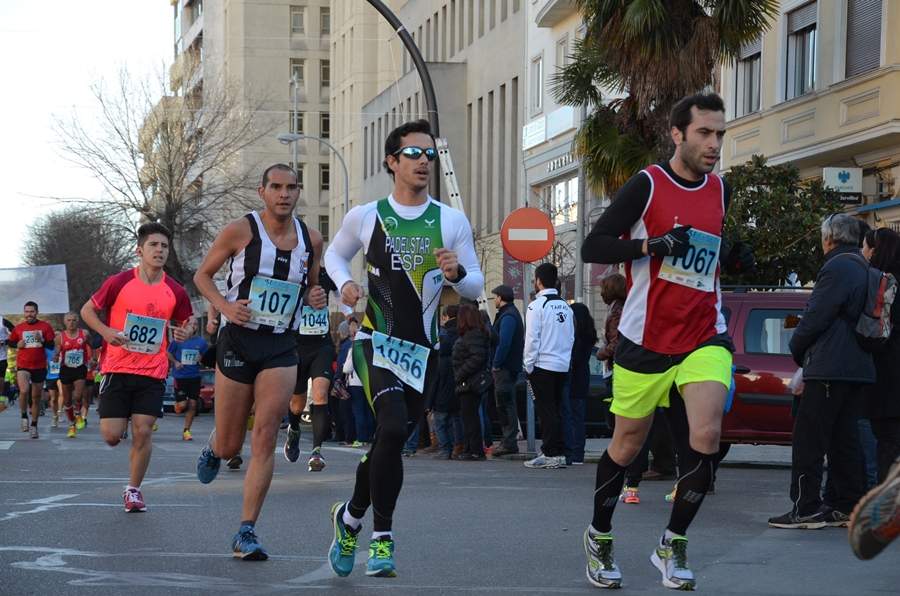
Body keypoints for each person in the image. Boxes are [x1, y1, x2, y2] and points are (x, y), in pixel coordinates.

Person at [580, 93, 755, 590]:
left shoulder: (720, 190)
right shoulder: (648, 185)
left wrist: (733, 260)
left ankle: (672, 545)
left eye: (720, 133)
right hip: (646, 339)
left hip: (704, 334)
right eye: (704, 132)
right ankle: (598, 535)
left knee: (706, 438)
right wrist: (649, 246)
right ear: (677, 134)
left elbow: (707, 256)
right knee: (626, 444)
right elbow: (595, 245)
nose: (714, 143)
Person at [324, 119, 483, 578]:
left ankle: (349, 517)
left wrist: (456, 274)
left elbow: (474, 281)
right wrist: (346, 283)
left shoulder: (451, 220)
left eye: (430, 154)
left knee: (389, 442)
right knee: (392, 427)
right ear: (392, 162)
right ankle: (382, 539)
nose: (424, 162)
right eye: (414, 154)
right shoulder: (366, 215)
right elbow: (334, 255)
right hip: (376, 341)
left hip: (425, 352)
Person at [193, 163, 327, 560]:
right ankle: (216, 445)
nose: (284, 194)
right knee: (232, 442)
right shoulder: (240, 230)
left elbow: (312, 285)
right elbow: (203, 275)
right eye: (276, 187)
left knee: (266, 433)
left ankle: (246, 531)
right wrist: (224, 307)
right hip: (238, 341)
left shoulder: (311, 239)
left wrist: (316, 297)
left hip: (281, 345)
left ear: (298, 192)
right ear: (262, 192)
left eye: (290, 187)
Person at [768, 213, 873, 530]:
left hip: (829, 365)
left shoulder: (837, 267)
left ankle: (806, 508)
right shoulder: (865, 267)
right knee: (845, 440)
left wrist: (797, 350)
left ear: (828, 238)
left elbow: (815, 317)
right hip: (858, 367)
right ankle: (848, 506)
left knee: (808, 439)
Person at [81, 222, 193, 512]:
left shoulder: (175, 290)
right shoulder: (119, 282)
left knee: (143, 432)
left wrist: (186, 332)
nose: (159, 250)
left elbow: (187, 321)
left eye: (164, 246)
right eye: (153, 245)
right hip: (117, 369)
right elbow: (87, 310)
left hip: (153, 371)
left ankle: (133, 490)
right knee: (111, 435)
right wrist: (106, 332)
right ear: (140, 250)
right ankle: (121, 427)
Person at [285, 267, 355, 471]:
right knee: (297, 405)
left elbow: (339, 297)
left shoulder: (326, 275)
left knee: (321, 394)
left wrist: (351, 319)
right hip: (296, 345)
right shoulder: (291, 274)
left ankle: (316, 451)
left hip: (321, 345)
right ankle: (294, 428)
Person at [523, 263, 574, 469]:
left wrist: (528, 364)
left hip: (542, 365)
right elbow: (570, 336)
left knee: (546, 411)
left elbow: (532, 339)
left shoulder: (536, 305)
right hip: (561, 365)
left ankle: (550, 453)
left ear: (538, 281)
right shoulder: (565, 305)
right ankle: (559, 452)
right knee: (557, 409)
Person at [860, 228, 900, 484]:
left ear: (877, 251)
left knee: (887, 439)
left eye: (864, 247)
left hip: (888, 374)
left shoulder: (887, 283)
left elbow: (879, 331)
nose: (862, 253)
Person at [7, 302, 57, 438]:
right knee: (23, 390)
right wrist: (17, 344)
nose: (29, 314)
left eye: (32, 312)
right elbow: (9, 342)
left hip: (39, 366)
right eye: (27, 312)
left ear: (37, 312)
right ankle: (24, 417)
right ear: (24, 313)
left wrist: (41, 340)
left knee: (36, 398)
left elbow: (51, 346)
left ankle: (34, 425)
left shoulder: (45, 326)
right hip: (23, 364)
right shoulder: (19, 328)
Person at [452, 304, 491, 461]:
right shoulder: (473, 335)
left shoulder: (472, 336)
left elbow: (477, 358)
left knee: (471, 417)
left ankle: (475, 450)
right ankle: (470, 448)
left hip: (469, 382)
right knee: (468, 417)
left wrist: (459, 375)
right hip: (468, 381)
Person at [490, 285, 524, 457]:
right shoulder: (509, 313)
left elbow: (504, 342)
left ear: (500, 297)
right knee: (503, 403)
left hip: (505, 368)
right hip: (506, 366)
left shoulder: (508, 316)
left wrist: (496, 363)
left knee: (505, 403)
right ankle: (507, 440)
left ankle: (509, 442)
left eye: (495, 296)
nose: (494, 299)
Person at [166, 318, 208, 441]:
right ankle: (178, 405)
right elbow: (168, 353)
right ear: (186, 325)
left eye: (195, 324)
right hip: (180, 376)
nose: (194, 326)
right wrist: (176, 362)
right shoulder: (178, 340)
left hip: (194, 375)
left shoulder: (201, 342)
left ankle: (187, 430)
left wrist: (202, 359)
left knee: (193, 404)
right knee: (183, 405)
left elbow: (206, 358)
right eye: (191, 324)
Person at [568, 303, 598, 465]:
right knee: (578, 417)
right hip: (583, 379)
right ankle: (578, 451)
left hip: (574, 379)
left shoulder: (576, 338)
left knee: (574, 417)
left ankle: (577, 452)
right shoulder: (589, 335)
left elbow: (574, 359)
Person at [55, 313, 93, 437]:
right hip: (66, 369)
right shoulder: (60, 337)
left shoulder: (84, 333)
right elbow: (57, 352)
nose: (71, 322)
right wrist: (55, 357)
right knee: (67, 399)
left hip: (80, 368)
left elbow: (91, 346)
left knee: (77, 395)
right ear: (65, 322)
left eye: (74, 320)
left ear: (77, 321)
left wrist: (92, 358)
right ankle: (71, 425)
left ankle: (78, 414)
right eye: (69, 320)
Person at [0, 317, 10, 413]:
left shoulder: (3, 321)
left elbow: (15, 335)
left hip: (1, 358)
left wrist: (3, 342)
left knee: (1, 380)